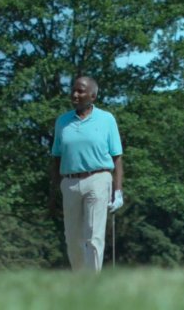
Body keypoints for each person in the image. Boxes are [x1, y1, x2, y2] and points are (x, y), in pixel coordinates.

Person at [50, 75, 124, 272]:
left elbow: (117, 157)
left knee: (94, 236)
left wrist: (118, 191)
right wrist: (56, 188)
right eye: (73, 90)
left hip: (98, 179)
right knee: (72, 238)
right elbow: (56, 155)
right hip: (70, 182)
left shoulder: (107, 119)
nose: (75, 94)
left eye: (80, 91)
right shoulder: (62, 121)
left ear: (93, 95)